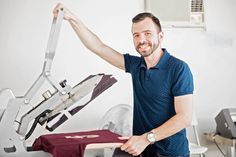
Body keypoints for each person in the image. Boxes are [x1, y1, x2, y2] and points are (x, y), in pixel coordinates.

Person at [53, 3, 194, 157]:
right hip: (142, 151)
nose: (142, 40)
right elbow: (98, 47)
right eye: (136, 35)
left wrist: (147, 138)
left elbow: (184, 118)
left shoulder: (178, 68)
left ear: (160, 36)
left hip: (171, 153)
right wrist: (72, 18)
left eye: (147, 33)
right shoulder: (136, 65)